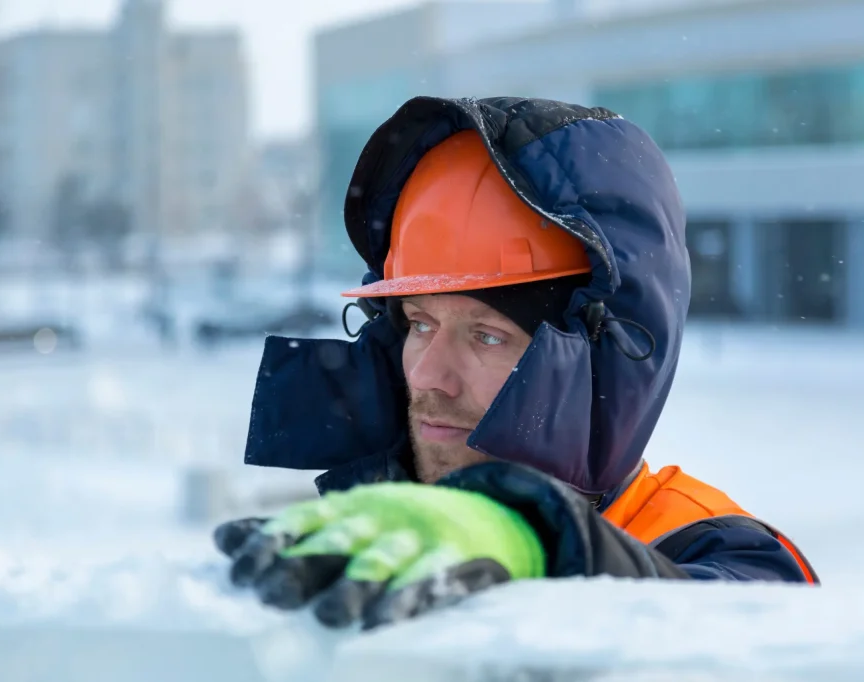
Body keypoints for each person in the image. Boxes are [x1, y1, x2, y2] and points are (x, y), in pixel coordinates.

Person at [216, 96, 818, 631]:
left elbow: (746, 635)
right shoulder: (376, 551)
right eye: (419, 324)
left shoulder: (721, 551)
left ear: (601, 364)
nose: (427, 374)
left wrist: (533, 537)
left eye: (487, 336)